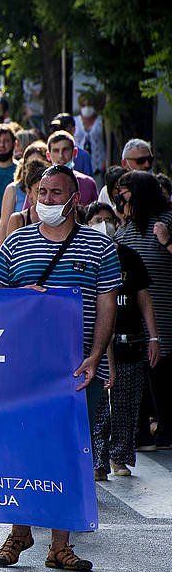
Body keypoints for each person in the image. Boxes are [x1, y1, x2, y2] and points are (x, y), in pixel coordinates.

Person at [0, 164, 121, 572]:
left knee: (70, 453)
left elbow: (107, 305)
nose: (46, 200)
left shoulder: (99, 247)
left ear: (74, 198)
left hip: (78, 369)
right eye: (41, 193)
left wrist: (96, 357)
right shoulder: (17, 243)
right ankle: (19, 532)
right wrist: (20, 295)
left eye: (55, 193)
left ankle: (60, 545)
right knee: (23, 450)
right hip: (25, 370)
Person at [83, 202, 159, 479]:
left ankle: (120, 459)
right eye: (97, 219)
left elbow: (143, 297)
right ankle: (97, 461)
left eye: (108, 219)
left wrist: (154, 337)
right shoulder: (85, 256)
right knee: (99, 407)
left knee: (125, 405)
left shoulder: (130, 256)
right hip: (94, 344)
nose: (103, 224)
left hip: (130, 343)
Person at [113, 171, 172, 451]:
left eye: (125, 193)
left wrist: (167, 242)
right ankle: (146, 432)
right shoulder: (124, 229)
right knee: (144, 378)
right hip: (136, 322)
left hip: (166, 313)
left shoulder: (167, 221)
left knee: (165, 377)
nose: (121, 199)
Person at [46, 131, 97, 207]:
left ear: (75, 152)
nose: (61, 156)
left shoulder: (88, 183)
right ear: (48, 155)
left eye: (65, 150)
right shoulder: (40, 184)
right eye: (56, 151)